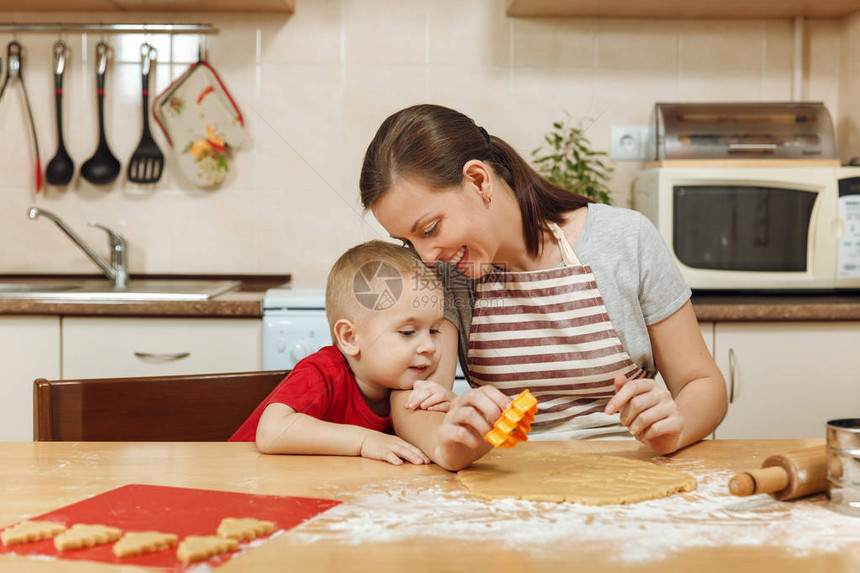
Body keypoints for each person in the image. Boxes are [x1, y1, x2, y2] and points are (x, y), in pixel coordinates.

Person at [359, 104, 728, 471]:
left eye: (430, 229)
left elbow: (703, 383)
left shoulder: (625, 239)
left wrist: (674, 426)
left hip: (631, 468)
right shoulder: (448, 275)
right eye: (408, 242)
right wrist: (447, 443)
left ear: (478, 180)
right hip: (505, 479)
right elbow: (414, 401)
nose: (425, 256)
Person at [230, 240, 458, 466]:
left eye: (434, 330)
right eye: (408, 332)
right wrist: (364, 441)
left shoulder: (404, 386)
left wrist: (453, 406)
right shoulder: (323, 371)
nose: (429, 346)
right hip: (234, 485)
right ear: (350, 338)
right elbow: (272, 432)